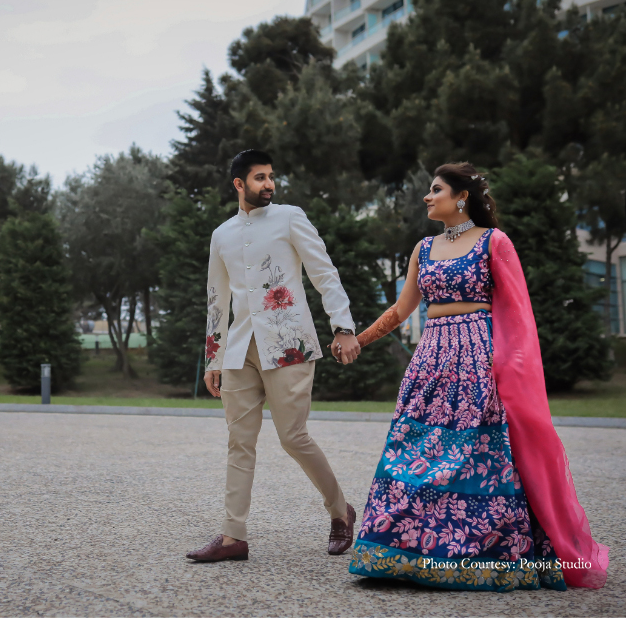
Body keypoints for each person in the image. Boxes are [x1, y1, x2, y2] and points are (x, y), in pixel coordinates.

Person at [346, 162, 609, 591]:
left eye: (436, 189)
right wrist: (359, 340)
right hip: (430, 359)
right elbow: (400, 310)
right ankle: (402, 554)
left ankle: (476, 556)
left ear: (461, 197)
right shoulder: (423, 248)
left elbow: (519, 313)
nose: (427, 196)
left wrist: (512, 368)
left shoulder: (493, 242)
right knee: (414, 449)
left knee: (474, 454)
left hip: (477, 359)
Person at [186, 149, 361, 563]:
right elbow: (217, 298)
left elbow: (324, 273)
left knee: (293, 437)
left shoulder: (290, 217)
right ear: (239, 184)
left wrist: (344, 326)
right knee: (239, 442)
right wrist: (214, 358)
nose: (269, 184)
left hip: (288, 343)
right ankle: (233, 536)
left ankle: (340, 511)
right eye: (260, 177)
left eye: (271, 176)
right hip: (239, 350)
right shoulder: (222, 234)